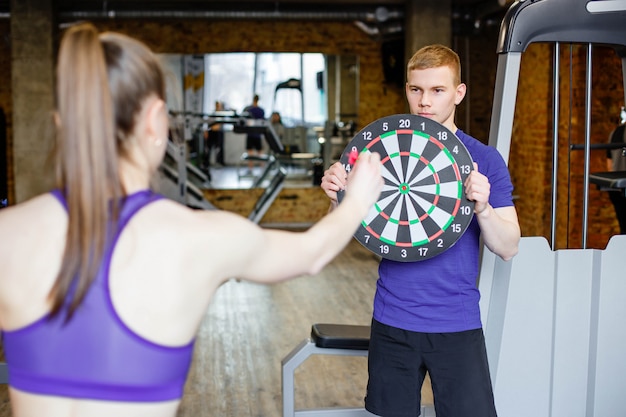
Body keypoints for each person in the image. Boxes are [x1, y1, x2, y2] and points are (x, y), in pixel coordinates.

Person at [0, 23, 383, 417]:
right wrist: (357, 199)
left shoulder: (8, 233)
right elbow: (311, 253)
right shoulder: (198, 238)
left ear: (61, 123)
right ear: (155, 120)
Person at [321, 44, 521, 417]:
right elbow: (343, 232)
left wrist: (484, 208)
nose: (424, 101)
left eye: (437, 90)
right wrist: (337, 197)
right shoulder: (380, 153)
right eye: (416, 89)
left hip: (457, 323)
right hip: (392, 320)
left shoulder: (486, 160)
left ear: (458, 93)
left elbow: (509, 246)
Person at [606, 106, 626, 234]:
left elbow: (609, 164)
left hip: (615, 187)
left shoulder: (614, 133)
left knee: (623, 227)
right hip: (623, 185)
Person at [242, 94, 265, 172]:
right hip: (257, 134)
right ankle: (262, 169)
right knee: (260, 153)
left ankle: (250, 169)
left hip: (251, 134)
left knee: (250, 153)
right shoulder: (261, 111)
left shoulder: (249, 110)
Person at [206, 100, 225, 167]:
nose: (218, 107)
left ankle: (219, 162)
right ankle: (206, 163)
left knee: (218, 148)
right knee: (209, 148)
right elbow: (209, 124)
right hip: (212, 133)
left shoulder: (222, 114)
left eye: (218, 105)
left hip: (218, 133)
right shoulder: (213, 114)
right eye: (217, 105)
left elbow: (218, 126)